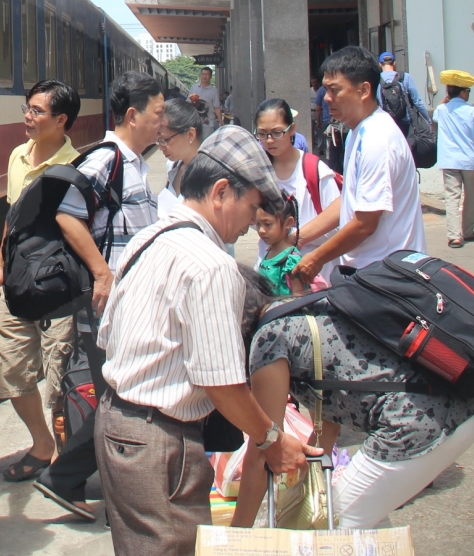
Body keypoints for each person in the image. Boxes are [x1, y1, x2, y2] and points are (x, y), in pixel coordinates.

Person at [94, 127, 316, 554]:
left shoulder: (149, 238)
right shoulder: (211, 266)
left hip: (120, 422)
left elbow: (110, 334)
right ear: (220, 192)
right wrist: (271, 441)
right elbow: (222, 382)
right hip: (159, 442)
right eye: (251, 206)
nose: (253, 222)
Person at [232, 281, 474, 530]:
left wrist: (235, 538)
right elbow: (330, 413)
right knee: (365, 526)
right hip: (463, 406)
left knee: (329, 529)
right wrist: (312, 478)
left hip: (419, 424)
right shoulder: (303, 307)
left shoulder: (268, 338)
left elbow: (264, 448)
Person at [32, 70, 165, 521]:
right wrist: (102, 273)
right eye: (157, 114)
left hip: (131, 300)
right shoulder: (105, 160)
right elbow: (67, 216)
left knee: (122, 395)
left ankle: (74, 479)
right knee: (120, 398)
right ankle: (66, 478)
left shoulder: (134, 162)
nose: (161, 123)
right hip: (109, 302)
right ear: (133, 115)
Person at [0, 79, 82, 484]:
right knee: (10, 370)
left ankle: (65, 456)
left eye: (37, 111)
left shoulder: (77, 167)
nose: (28, 116)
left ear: (61, 120)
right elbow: (11, 218)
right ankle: (42, 442)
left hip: (59, 289)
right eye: (27, 108)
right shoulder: (16, 157)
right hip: (16, 282)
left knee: (59, 373)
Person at [291, 46, 426, 288]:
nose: (327, 97)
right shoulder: (358, 132)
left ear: (363, 90)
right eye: (325, 89)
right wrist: (297, 239)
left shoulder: (377, 138)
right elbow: (350, 201)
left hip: (389, 280)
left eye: (335, 90)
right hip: (367, 276)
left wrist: (316, 258)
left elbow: (364, 223)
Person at [254, 98, 341, 284]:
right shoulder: (258, 173)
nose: (269, 140)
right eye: (262, 134)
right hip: (271, 276)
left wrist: (294, 239)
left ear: (292, 129)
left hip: (315, 278)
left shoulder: (314, 170)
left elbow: (339, 221)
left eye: (277, 132)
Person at [432, 69, 474, 249]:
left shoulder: (441, 110)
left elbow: (435, 116)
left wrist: (446, 99)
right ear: (463, 92)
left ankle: (454, 236)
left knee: (451, 198)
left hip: (448, 160)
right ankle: (467, 231)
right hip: (470, 161)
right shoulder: (473, 112)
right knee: (471, 197)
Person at [156, 96, 208, 223]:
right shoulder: (172, 166)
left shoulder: (210, 175)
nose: (161, 148)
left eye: (165, 140)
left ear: (190, 134)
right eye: (158, 141)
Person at [254, 192, 302, 295]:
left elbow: (299, 299)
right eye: (258, 224)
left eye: (267, 224)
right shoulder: (270, 251)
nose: (261, 230)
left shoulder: (292, 261)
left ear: (288, 223)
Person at [377, 51, 429, 120]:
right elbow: (417, 102)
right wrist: (427, 119)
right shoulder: (405, 77)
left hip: (386, 121)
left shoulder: (376, 79)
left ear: (380, 64)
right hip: (405, 121)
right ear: (394, 63)